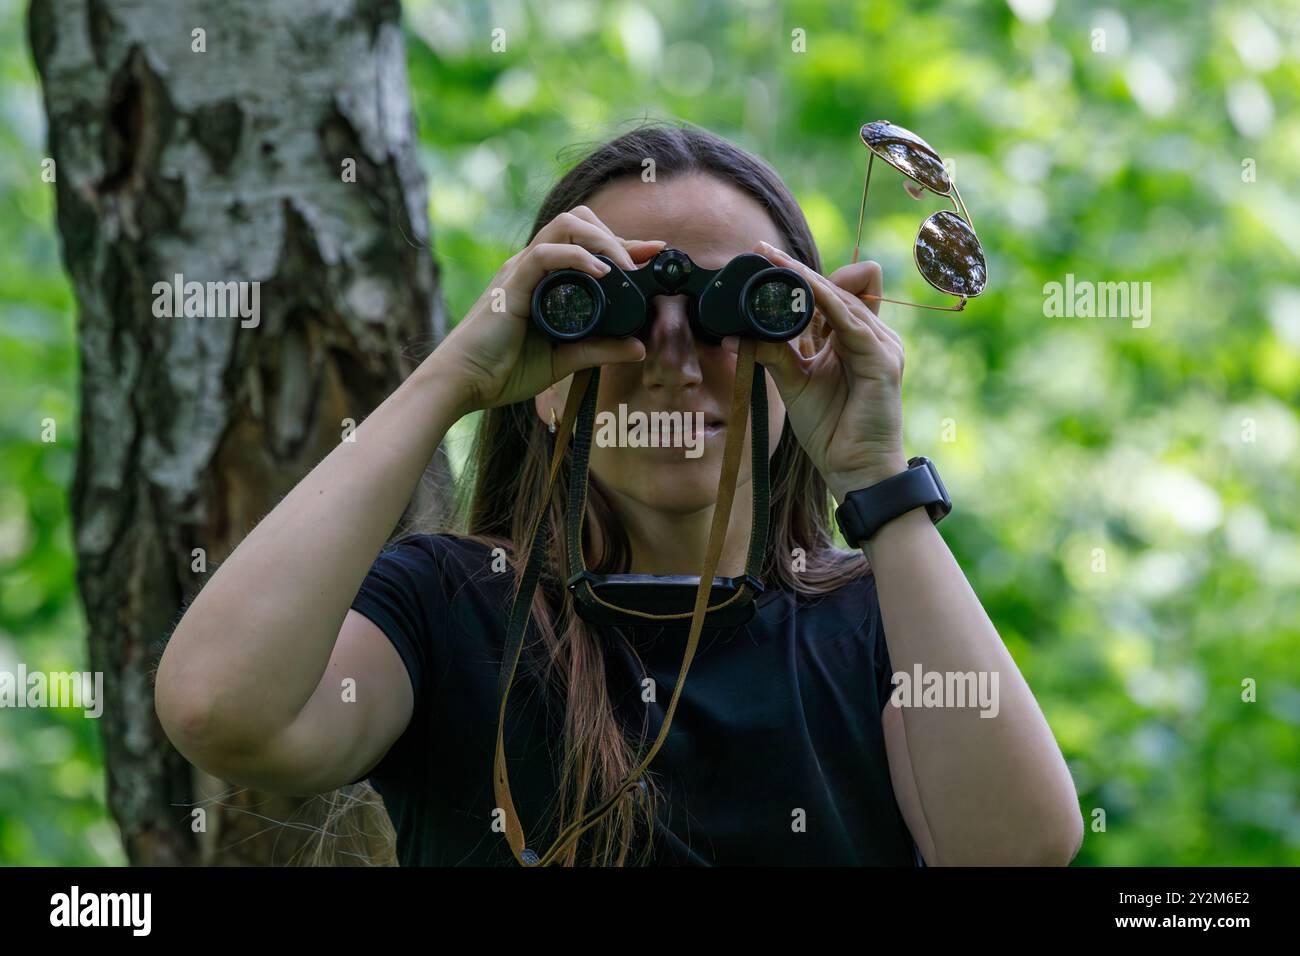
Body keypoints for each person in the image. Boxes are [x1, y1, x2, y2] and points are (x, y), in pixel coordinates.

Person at [155, 121, 1084, 866]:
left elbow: (1017, 847)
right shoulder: (449, 607)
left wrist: (876, 477)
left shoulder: (880, 618)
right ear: (548, 377)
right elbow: (218, 709)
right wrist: (451, 382)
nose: (674, 361)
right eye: (618, 306)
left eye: (736, 309)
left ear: (807, 339)